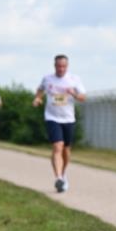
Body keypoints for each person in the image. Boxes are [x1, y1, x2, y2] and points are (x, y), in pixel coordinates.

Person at [33, 55, 86, 192]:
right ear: (54, 66)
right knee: (57, 147)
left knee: (66, 150)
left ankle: (63, 173)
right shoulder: (47, 79)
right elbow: (40, 90)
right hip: (52, 117)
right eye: (58, 66)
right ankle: (58, 178)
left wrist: (74, 94)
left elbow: (83, 97)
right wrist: (37, 98)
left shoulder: (74, 79)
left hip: (68, 119)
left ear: (67, 66)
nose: (61, 69)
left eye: (64, 66)